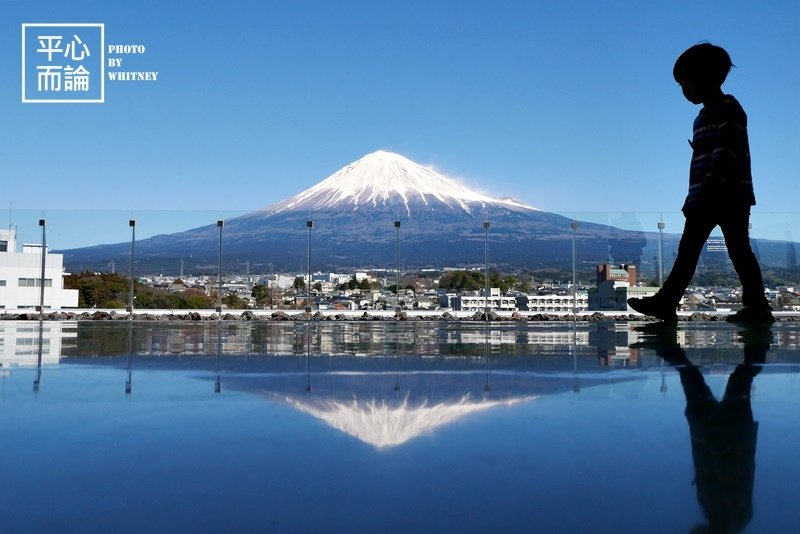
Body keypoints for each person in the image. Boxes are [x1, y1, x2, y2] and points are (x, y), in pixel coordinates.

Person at [628, 43, 773, 323]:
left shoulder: (729, 109)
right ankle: (670, 301)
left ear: (706, 78)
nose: (685, 91)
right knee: (709, 251)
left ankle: (756, 306)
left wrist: (707, 188)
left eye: (686, 82)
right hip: (712, 196)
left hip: (724, 195)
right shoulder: (703, 116)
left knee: (728, 251)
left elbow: (724, 152)